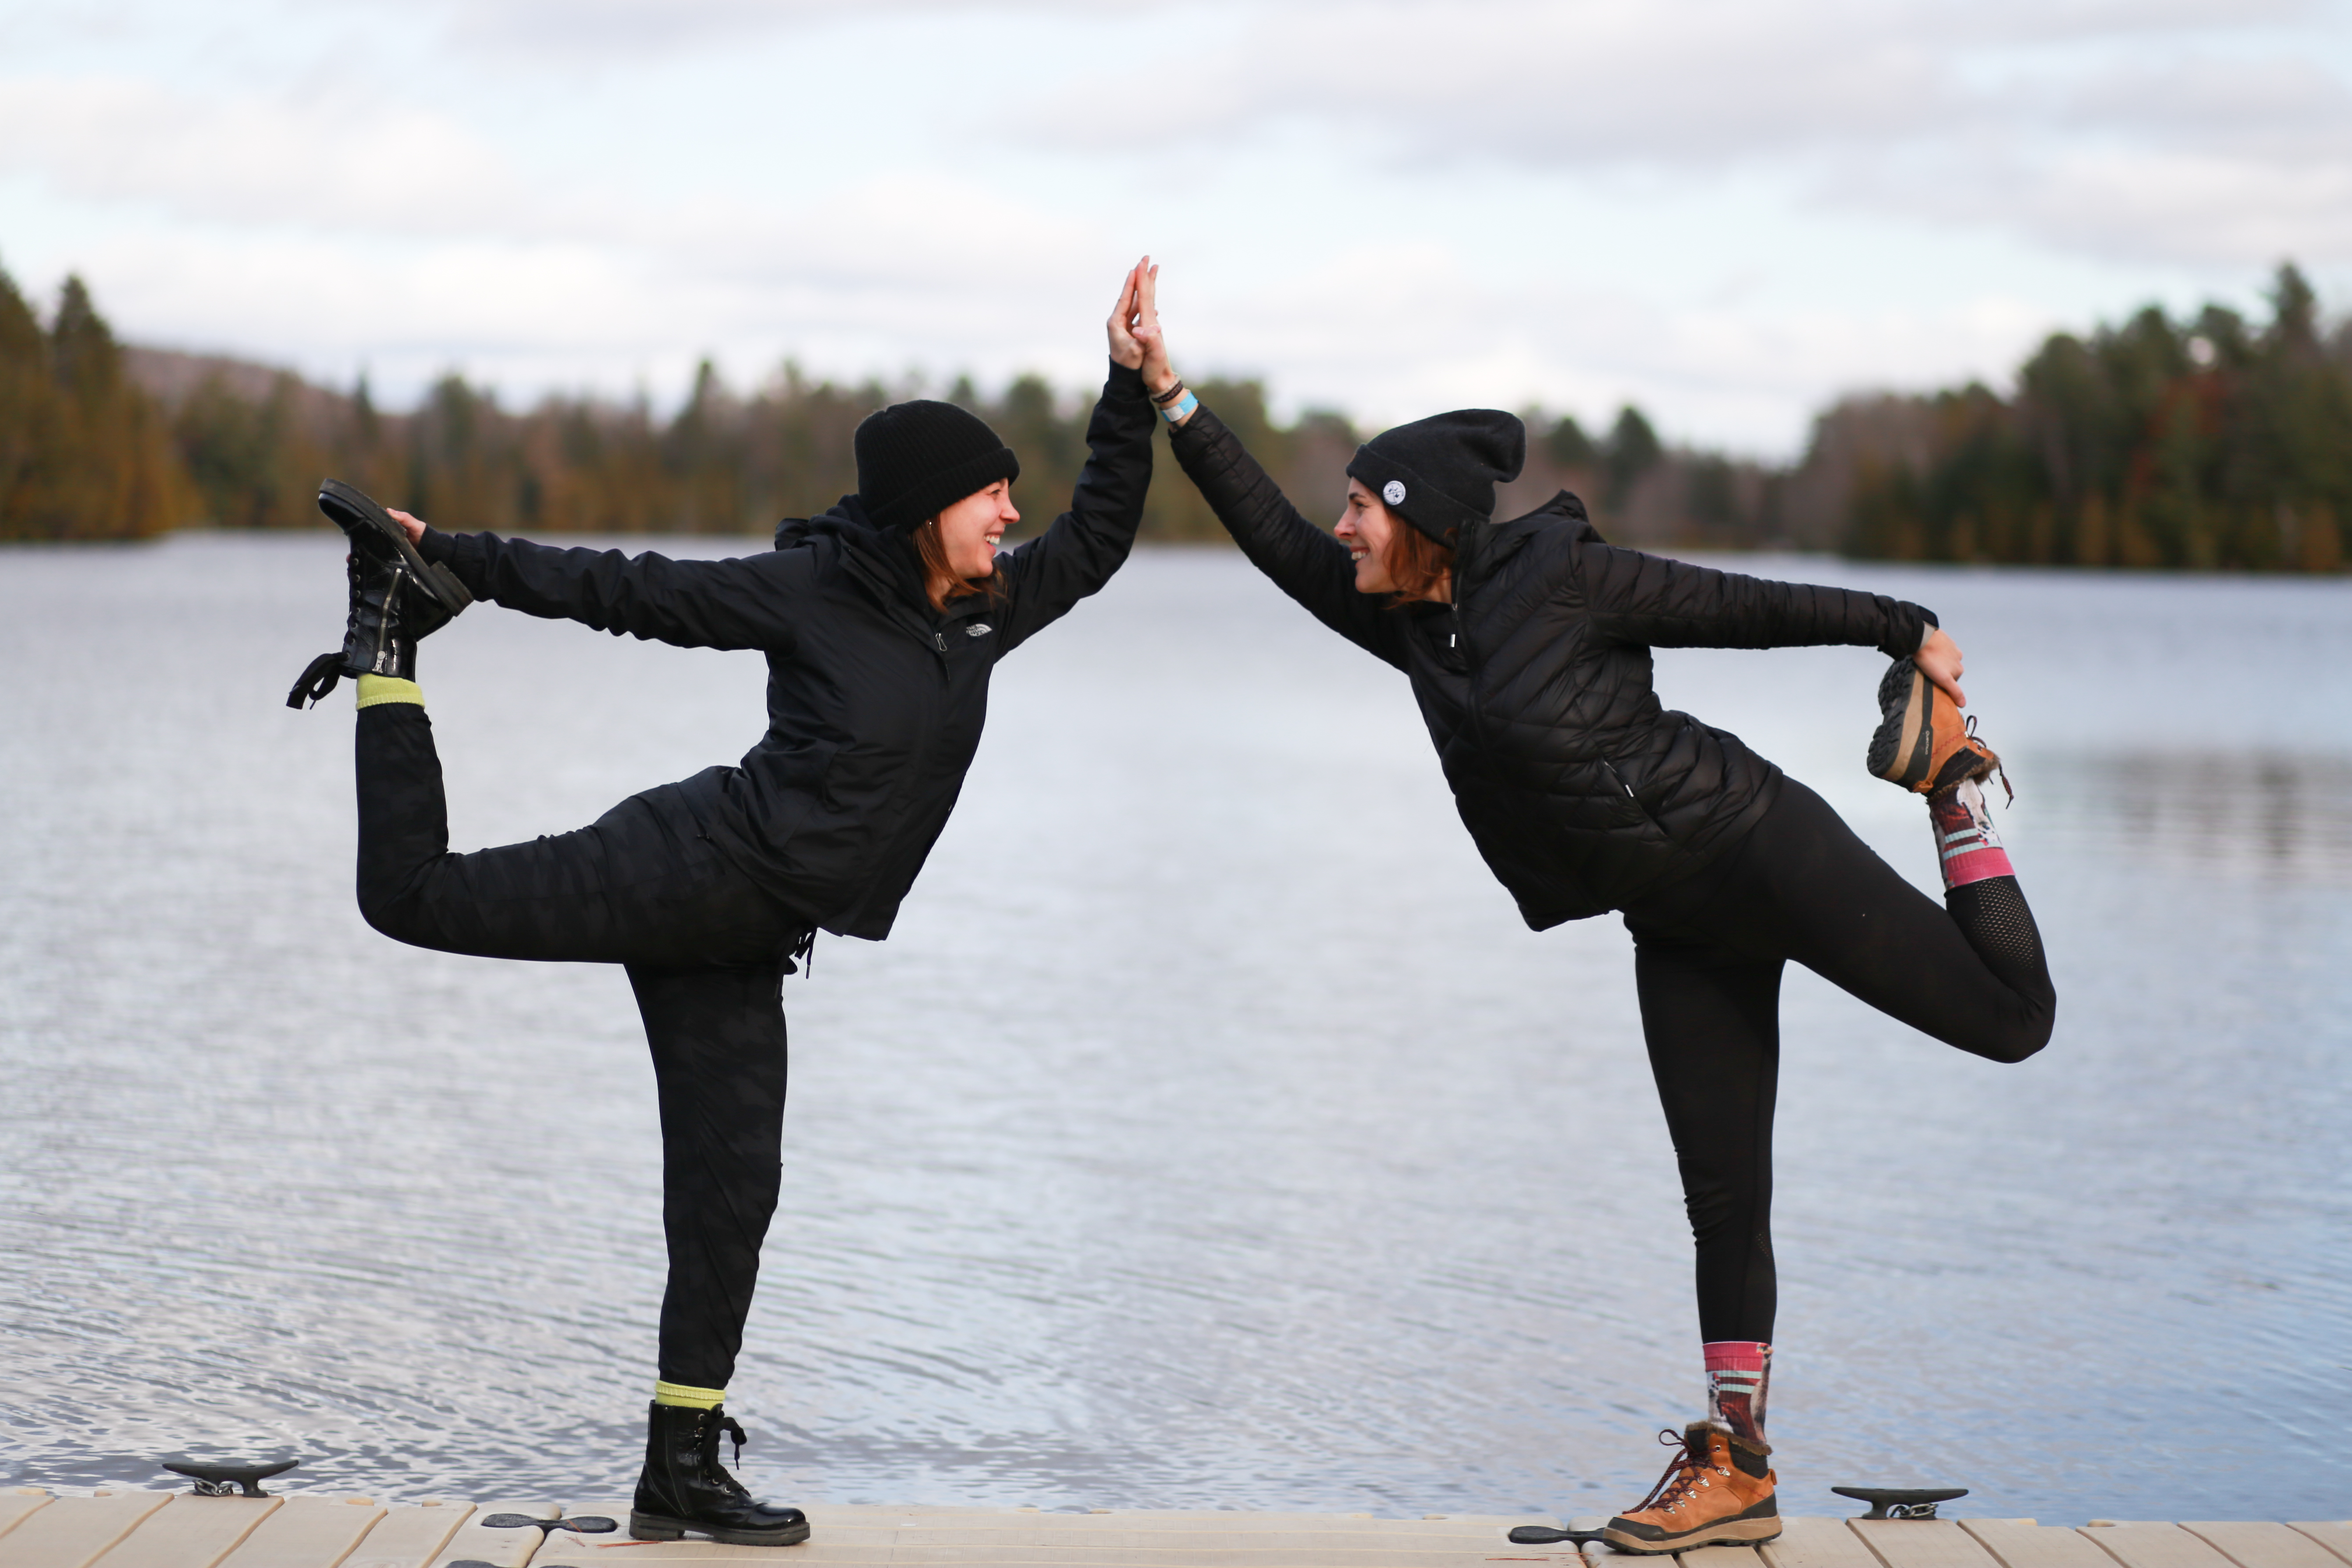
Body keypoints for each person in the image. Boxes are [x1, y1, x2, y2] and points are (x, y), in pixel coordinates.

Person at [285, 261, 1174, 1548]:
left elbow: (1096, 538)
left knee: (731, 1193)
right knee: (413, 896)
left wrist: (1128, 387)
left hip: (745, 942)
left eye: (1008, 493)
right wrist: (454, 557)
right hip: (683, 868)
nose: (1010, 513)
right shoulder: (811, 591)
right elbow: (633, 589)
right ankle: (388, 647)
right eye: (991, 492)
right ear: (927, 508)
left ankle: (681, 1468)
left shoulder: (983, 611)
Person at [1153, 377, 2055, 1551]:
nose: (1342, 527)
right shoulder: (1412, 624)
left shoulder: (1564, 579)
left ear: (1417, 515)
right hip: (1673, 920)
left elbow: (1744, 605)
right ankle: (1738, 1468)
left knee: (2013, 1022)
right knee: (1723, 1197)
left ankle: (1951, 788)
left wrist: (1902, 626)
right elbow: (1275, 539)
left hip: (1758, 846)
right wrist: (1172, 397)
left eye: (1360, 508)